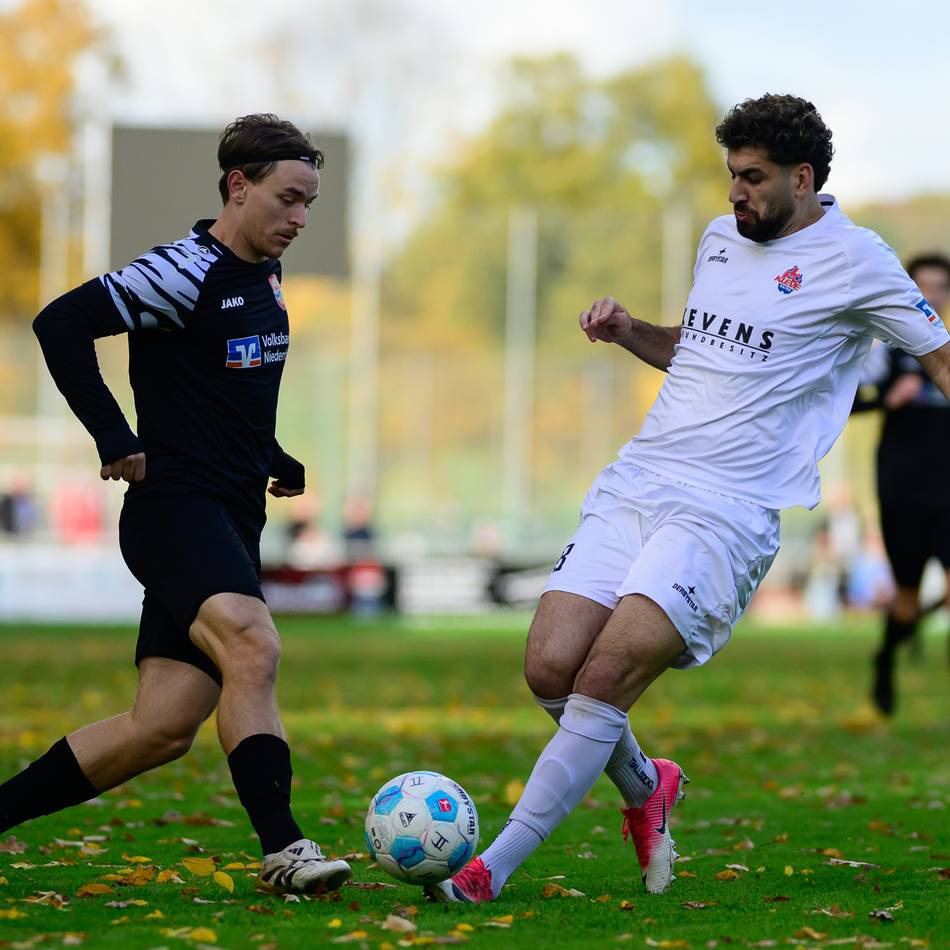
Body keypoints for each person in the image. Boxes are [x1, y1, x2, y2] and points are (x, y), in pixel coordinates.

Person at [429, 94, 950, 904]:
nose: (735, 193)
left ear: (803, 178)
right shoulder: (718, 239)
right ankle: (648, 787)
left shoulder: (860, 261)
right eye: (731, 176)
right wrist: (629, 329)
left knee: (604, 675)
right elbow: (699, 348)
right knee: (549, 668)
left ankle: (489, 868)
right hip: (641, 477)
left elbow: (942, 359)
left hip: (728, 509)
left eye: (752, 178)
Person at [6, 114, 351, 895]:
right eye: (289, 199)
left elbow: (220, 388)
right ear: (239, 186)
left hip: (231, 514)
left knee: (159, 729)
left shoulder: (264, 272)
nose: (300, 219)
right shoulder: (181, 269)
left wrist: (273, 456)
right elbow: (61, 323)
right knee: (254, 647)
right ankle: (285, 851)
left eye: (310, 204)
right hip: (173, 510)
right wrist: (113, 436)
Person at [857, 253, 950, 713]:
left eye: (941, 286)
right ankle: (886, 655)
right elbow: (846, 400)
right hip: (902, 490)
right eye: (924, 285)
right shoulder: (886, 352)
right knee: (908, 602)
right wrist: (885, 400)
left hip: (949, 488)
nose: (932, 294)